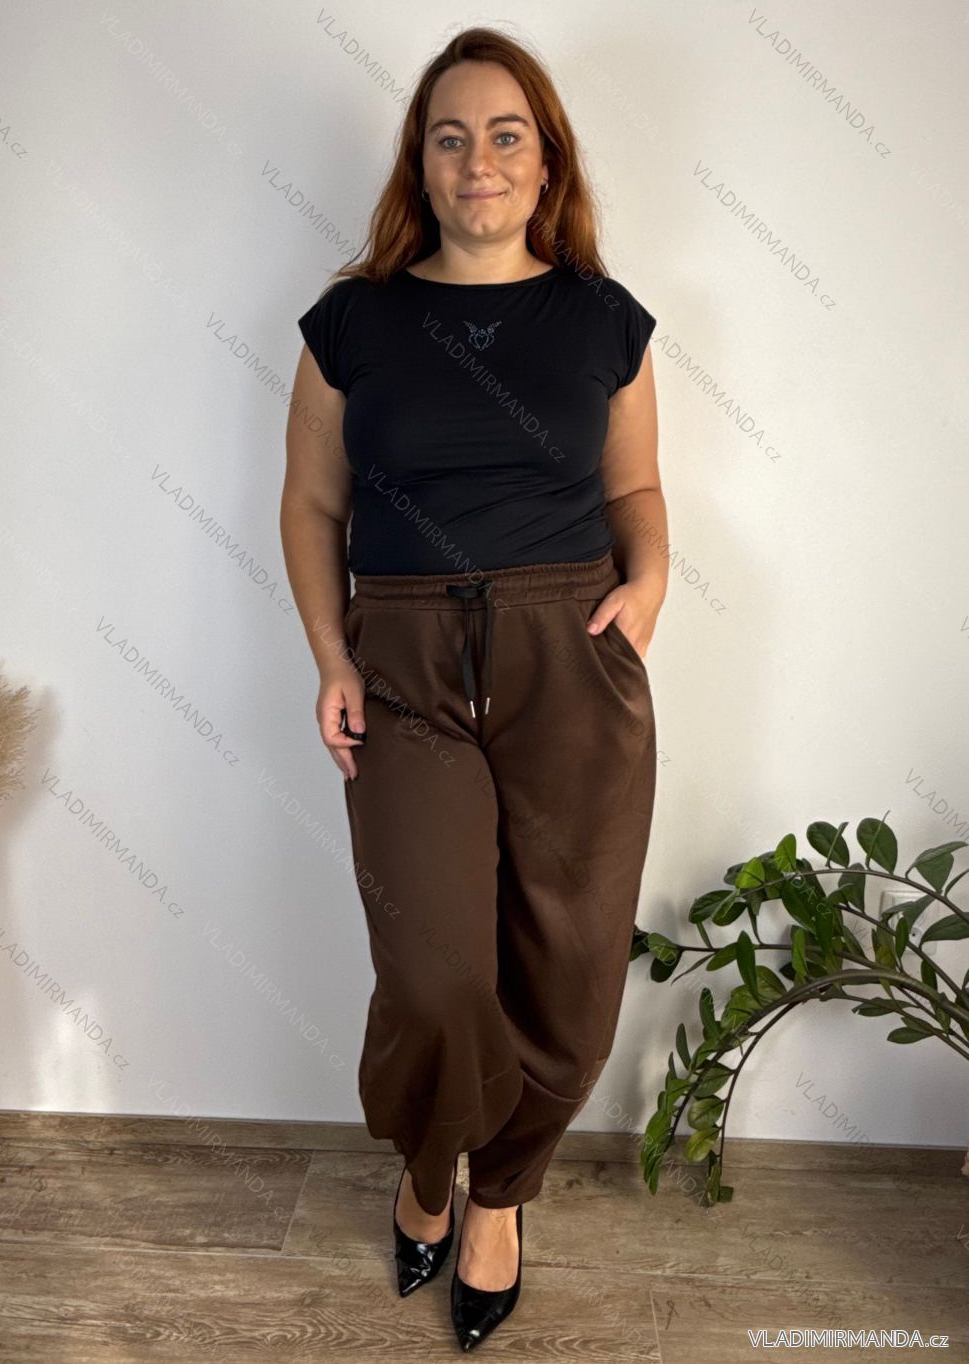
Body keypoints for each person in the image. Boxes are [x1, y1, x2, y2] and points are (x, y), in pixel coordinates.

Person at [283, 25, 666, 1354]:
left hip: (570, 655)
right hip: (402, 662)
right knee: (436, 969)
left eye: (507, 134)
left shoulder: (603, 318)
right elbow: (312, 502)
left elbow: (634, 485)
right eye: (450, 137)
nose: (479, 159)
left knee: (569, 974)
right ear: (420, 162)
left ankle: (497, 1196)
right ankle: (427, 1160)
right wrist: (332, 656)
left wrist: (650, 580)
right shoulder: (353, 321)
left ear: (546, 159)